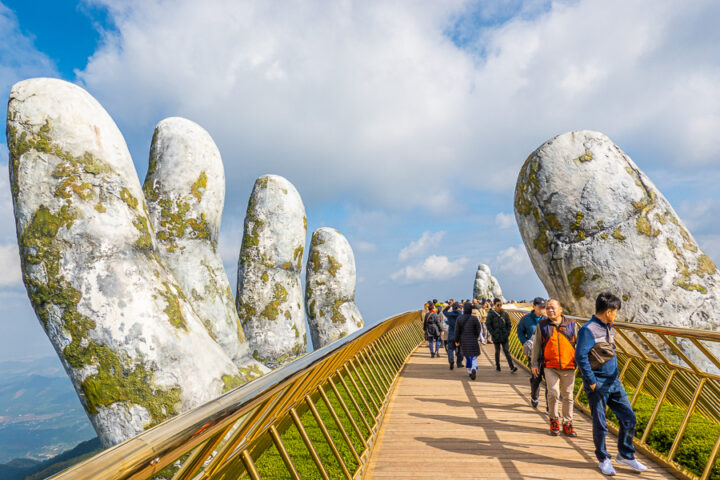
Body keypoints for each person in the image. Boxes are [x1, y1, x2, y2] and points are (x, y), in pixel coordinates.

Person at [576, 292, 648, 475]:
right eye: (615, 311)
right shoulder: (588, 329)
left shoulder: (609, 326)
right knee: (601, 424)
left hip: (613, 382)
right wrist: (591, 382)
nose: (616, 314)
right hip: (598, 383)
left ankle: (625, 454)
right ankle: (603, 459)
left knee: (629, 417)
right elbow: (580, 356)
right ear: (609, 311)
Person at [531, 299, 577, 437]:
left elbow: (579, 344)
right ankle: (554, 419)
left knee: (568, 396)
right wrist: (534, 364)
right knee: (553, 393)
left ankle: (568, 423)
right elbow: (536, 345)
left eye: (553, 308)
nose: (550, 310)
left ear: (560, 309)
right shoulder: (543, 325)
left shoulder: (572, 324)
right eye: (548, 308)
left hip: (568, 365)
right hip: (550, 365)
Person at [518, 297, 547, 408]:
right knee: (536, 379)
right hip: (534, 355)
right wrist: (525, 342)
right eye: (540, 307)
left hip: (547, 355)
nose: (542, 310)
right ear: (534, 306)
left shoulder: (547, 319)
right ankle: (534, 396)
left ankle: (550, 408)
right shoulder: (526, 319)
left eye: (544, 308)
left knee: (550, 382)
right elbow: (520, 331)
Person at [486, 298, 517, 373]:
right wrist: (493, 333)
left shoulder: (505, 314)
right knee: (497, 351)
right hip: (496, 335)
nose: (500, 306)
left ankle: (511, 367)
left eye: (501, 305)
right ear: (494, 305)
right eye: (498, 305)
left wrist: (507, 333)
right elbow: (488, 325)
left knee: (506, 351)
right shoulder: (491, 314)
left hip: (504, 335)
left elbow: (509, 324)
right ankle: (498, 365)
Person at [454, 302, 481, 379]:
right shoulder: (474, 318)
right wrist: (476, 336)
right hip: (473, 339)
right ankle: (474, 368)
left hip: (464, 340)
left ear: (464, 309)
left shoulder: (459, 318)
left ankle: (469, 371)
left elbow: (457, 331)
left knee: (467, 356)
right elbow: (478, 329)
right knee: (474, 356)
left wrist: (456, 340)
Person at [443, 301, 463, 369]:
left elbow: (444, 311)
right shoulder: (461, 314)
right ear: (458, 308)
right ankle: (459, 363)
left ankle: (451, 360)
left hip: (451, 334)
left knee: (450, 349)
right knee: (460, 349)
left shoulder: (449, 314)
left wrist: (449, 306)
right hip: (459, 334)